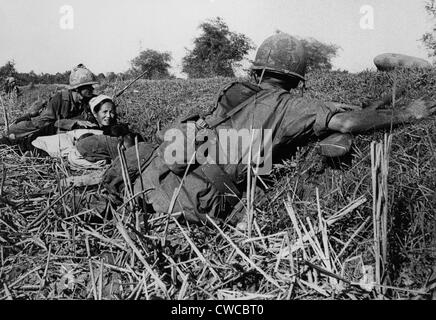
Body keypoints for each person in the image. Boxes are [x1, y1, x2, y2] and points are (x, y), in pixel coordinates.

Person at [102, 32, 436, 227]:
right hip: (192, 203)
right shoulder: (290, 106)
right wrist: (409, 112)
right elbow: (346, 123)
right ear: (296, 78)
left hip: (156, 180)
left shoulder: (233, 92)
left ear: (259, 70)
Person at [0, 64, 98, 147]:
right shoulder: (59, 99)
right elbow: (44, 123)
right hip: (40, 125)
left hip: (62, 129)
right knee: (12, 131)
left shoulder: (88, 100)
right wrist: (74, 122)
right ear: (77, 89)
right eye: (88, 87)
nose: (92, 90)